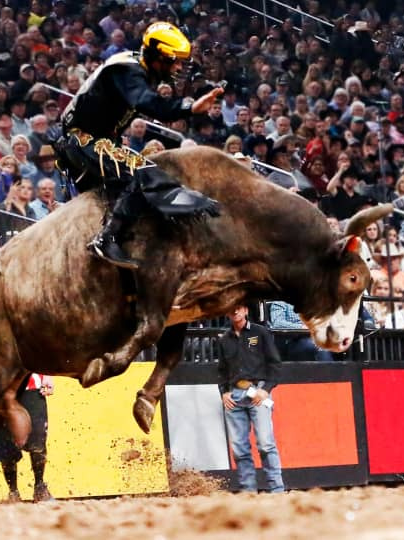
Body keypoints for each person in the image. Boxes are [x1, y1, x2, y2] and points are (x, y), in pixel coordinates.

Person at [55, 22, 223, 269]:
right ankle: (107, 239)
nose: (178, 68)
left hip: (98, 140)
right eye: (175, 61)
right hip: (81, 140)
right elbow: (148, 104)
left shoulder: (136, 68)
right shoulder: (127, 70)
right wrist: (189, 108)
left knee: (137, 179)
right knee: (141, 171)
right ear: (159, 57)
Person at [217, 305, 284, 493]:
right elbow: (222, 370)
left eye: (238, 308)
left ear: (246, 310)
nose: (235, 312)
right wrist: (224, 392)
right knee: (239, 447)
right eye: (231, 309)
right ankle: (249, 490)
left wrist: (266, 389)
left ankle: (276, 489)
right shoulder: (224, 339)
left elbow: (275, 363)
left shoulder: (260, 332)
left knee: (265, 444)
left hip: (258, 391)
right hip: (234, 394)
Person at [0, 373, 56, 503]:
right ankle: (13, 492)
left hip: (31, 384)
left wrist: (47, 375)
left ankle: (40, 487)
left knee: (37, 437)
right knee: (5, 443)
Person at [267, 301, 332, 361]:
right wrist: (301, 327)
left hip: (316, 336)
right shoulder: (280, 302)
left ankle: (330, 369)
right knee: (314, 345)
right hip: (293, 340)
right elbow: (278, 323)